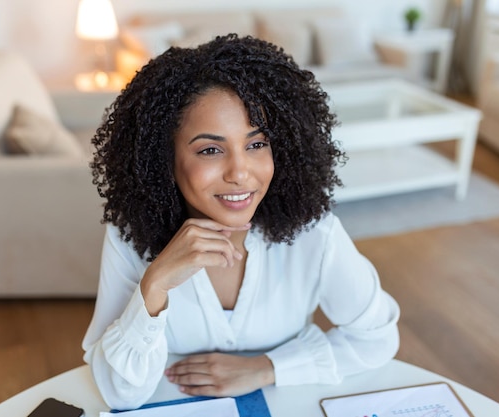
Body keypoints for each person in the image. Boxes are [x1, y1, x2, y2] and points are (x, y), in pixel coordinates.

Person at [82, 34, 400, 410]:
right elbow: (120, 391)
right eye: (211, 150)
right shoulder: (129, 237)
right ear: (162, 159)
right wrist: (155, 285)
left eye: (256, 144)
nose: (240, 173)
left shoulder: (316, 235)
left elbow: (378, 338)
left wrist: (266, 367)